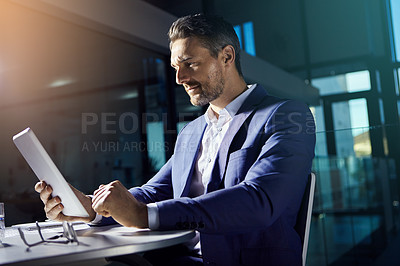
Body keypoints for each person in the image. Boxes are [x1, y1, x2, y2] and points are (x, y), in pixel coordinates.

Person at [35, 14, 315, 266]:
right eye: (175, 67)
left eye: (190, 64)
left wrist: (145, 216)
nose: (180, 78)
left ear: (227, 57)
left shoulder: (286, 115)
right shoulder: (192, 132)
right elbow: (155, 191)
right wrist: (92, 208)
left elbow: (259, 200)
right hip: (175, 259)